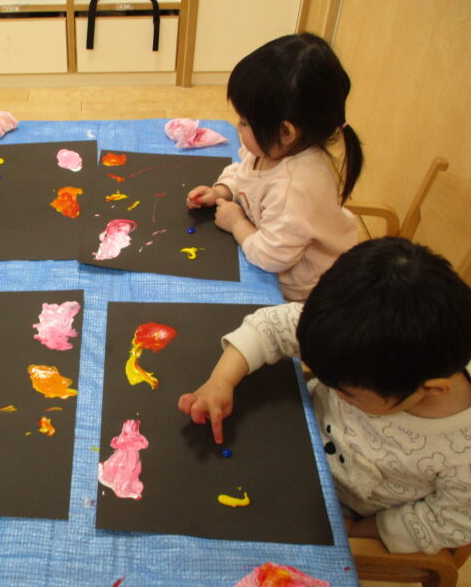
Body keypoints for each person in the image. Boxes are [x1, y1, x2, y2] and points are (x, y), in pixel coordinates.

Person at [178, 237, 471, 554]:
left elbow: (447, 521)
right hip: (293, 438)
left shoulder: (462, 453)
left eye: (347, 393)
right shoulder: (357, 330)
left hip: (338, 508)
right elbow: (273, 326)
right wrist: (221, 380)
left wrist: (361, 530)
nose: (335, 393)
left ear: (431, 388)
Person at [186, 32, 363, 301]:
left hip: (306, 290)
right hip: (272, 238)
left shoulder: (295, 187)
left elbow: (271, 257)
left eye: (245, 122)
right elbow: (246, 172)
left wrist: (236, 223)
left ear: (285, 132)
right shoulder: (273, 149)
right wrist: (222, 191)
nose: (238, 128)